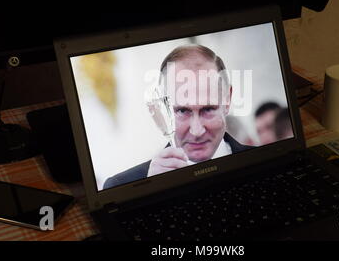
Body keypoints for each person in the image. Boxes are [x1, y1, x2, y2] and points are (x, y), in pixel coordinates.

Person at [103, 44, 254, 189]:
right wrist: (151, 195)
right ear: (163, 107)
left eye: (208, 109)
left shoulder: (265, 162)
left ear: (227, 100)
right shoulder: (123, 186)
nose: (196, 131)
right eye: (182, 111)